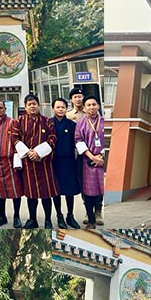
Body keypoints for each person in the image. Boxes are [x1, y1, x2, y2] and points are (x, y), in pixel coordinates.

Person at [11, 93, 58, 229]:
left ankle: (48, 220)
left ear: (38, 105)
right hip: (28, 163)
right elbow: (15, 138)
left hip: (44, 163)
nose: (32, 106)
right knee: (31, 195)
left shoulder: (47, 121)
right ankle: (32, 219)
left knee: (46, 194)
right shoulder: (18, 122)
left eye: (34, 104)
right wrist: (29, 153)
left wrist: (38, 152)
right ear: (25, 107)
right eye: (29, 104)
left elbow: (53, 138)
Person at [74, 96, 107, 229]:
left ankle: (98, 212)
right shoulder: (81, 123)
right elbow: (78, 140)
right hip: (87, 161)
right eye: (89, 105)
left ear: (98, 106)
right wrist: (92, 157)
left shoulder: (104, 122)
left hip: (103, 160)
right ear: (85, 107)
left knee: (101, 189)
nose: (92, 107)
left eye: (94, 104)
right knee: (88, 190)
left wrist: (101, 156)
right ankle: (90, 219)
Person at [50, 98, 82, 229]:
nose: (60, 109)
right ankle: (59, 215)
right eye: (58, 107)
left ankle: (70, 215)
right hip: (53, 161)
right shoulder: (49, 124)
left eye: (63, 107)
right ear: (53, 108)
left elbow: (77, 143)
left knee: (69, 191)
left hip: (68, 161)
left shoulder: (72, 125)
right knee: (55, 191)